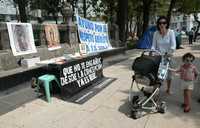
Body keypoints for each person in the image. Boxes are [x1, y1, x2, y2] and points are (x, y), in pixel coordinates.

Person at [151, 16, 176, 94]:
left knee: (169, 75)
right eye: (160, 23)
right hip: (158, 57)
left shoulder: (171, 32)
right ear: (158, 24)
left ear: (166, 24)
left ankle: (168, 89)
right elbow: (153, 45)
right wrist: (152, 51)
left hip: (168, 56)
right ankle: (155, 90)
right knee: (158, 75)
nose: (162, 24)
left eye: (164, 23)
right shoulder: (156, 33)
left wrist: (169, 53)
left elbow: (173, 45)